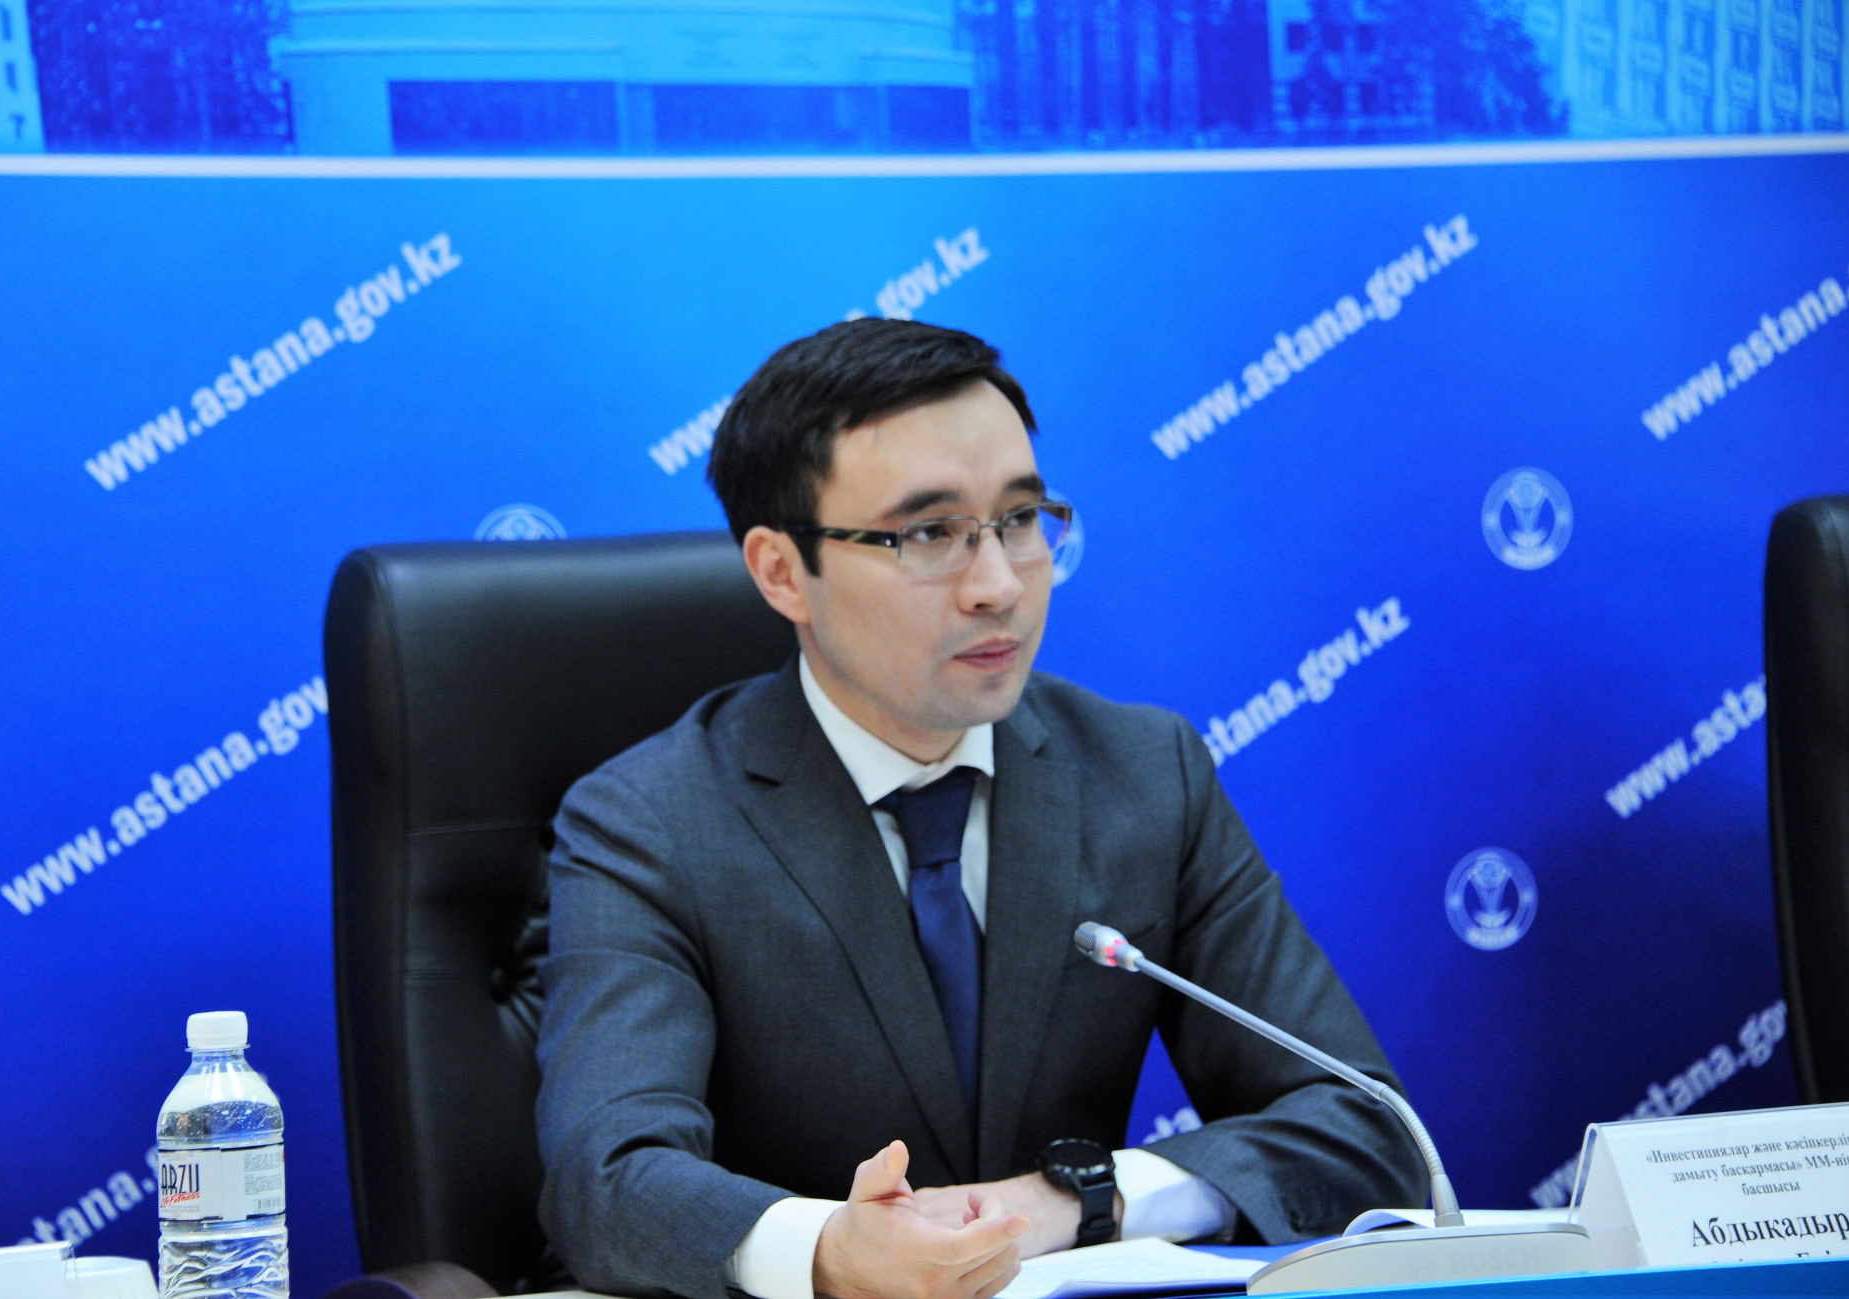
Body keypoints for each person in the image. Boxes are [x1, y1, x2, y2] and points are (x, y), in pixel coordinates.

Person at [535, 319, 1424, 1299]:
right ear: (782, 570)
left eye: (1020, 518)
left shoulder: (1144, 773)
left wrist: (1077, 1198)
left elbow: (1364, 1125)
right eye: (927, 533)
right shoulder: (648, 823)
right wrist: (831, 1248)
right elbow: (605, 1179)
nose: (998, 584)